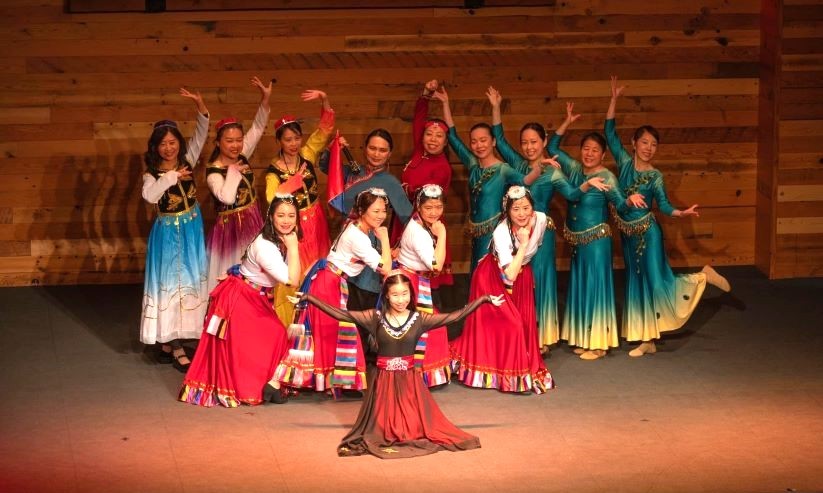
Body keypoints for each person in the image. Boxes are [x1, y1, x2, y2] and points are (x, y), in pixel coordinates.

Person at [289, 273, 505, 459]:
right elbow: (341, 314)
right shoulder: (375, 318)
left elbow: (455, 316)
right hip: (383, 383)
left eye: (405, 294)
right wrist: (309, 298)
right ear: (386, 296)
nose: (401, 299)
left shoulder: (419, 319)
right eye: (395, 294)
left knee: (413, 429)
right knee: (382, 431)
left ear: (411, 295)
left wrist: (484, 299)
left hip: (410, 383)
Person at [605, 76, 731, 357]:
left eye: (654, 145)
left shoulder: (655, 176)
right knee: (636, 280)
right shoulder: (624, 164)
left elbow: (662, 204)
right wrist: (614, 101)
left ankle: (701, 277)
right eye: (645, 142)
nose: (649, 148)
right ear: (634, 142)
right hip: (627, 232)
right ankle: (646, 337)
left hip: (648, 233)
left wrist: (681, 212)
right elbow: (609, 132)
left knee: (656, 280)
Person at [488, 86, 610, 353]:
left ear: (544, 141)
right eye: (525, 142)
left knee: (539, 280)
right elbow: (498, 137)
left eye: (534, 141)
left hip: (540, 235)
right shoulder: (519, 165)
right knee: (515, 279)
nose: (529, 146)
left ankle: (541, 335)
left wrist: (589, 184)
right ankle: (518, 331)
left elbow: (573, 195)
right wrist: (496, 106)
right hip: (513, 232)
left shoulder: (554, 172)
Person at [179, 194, 302, 407]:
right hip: (241, 299)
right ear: (270, 217)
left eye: (291, 215)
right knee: (273, 336)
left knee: (275, 335)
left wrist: (236, 271)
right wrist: (293, 248)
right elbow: (292, 279)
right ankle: (253, 387)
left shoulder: (271, 239)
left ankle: (269, 385)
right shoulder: (267, 246)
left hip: (250, 294)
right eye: (280, 215)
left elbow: (248, 263)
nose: (286, 220)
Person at [549, 102, 645, 360]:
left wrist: (630, 200)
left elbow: (619, 203)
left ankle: (600, 344)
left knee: (596, 287)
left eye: (595, 151)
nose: (589, 154)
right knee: (581, 286)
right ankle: (586, 337)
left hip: (597, 242)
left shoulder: (607, 177)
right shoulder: (574, 169)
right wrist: (566, 122)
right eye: (586, 149)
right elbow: (552, 148)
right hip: (578, 241)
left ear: (603, 155)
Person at [273, 188, 393, 393]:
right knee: (336, 332)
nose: (381, 215)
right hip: (329, 283)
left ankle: (332, 382)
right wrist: (384, 238)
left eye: (383, 211)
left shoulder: (355, 227)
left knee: (329, 332)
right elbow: (386, 268)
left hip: (329, 280)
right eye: (375, 211)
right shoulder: (359, 237)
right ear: (362, 211)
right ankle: (338, 383)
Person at [451, 186, 554, 393]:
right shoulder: (501, 232)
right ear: (507, 211)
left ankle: (513, 367)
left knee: (523, 323)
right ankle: (507, 374)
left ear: (533, 208)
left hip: (522, 274)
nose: (522, 213)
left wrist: (525, 255)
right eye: (516, 209)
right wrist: (523, 245)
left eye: (526, 208)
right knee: (511, 324)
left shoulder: (541, 219)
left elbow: (537, 245)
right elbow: (509, 275)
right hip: (492, 277)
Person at [139, 88, 210, 372]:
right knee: (172, 285)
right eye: (163, 144)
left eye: (173, 142)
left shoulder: (188, 161)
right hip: (168, 233)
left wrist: (200, 104)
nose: (169, 148)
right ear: (156, 147)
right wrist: (171, 176)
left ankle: (171, 341)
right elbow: (150, 196)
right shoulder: (152, 175)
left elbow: (203, 131)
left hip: (191, 229)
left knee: (190, 281)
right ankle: (175, 342)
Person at [434, 86, 541, 272]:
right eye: (474, 141)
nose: (478, 145)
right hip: (476, 232)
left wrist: (539, 168)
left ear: (493, 142)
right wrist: (445, 104)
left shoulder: (503, 169)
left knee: (490, 271)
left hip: (495, 233)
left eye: (483, 140)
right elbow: (453, 138)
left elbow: (526, 181)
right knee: (477, 269)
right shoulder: (474, 167)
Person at [319, 129, 413, 310]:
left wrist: (400, 247)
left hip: (370, 245)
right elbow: (325, 166)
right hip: (347, 240)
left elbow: (409, 219)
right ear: (364, 148)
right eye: (372, 148)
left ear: (389, 154)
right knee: (343, 302)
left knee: (363, 303)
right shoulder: (353, 172)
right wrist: (334, 148)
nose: (377, 154)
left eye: (382, 150)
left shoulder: (390, 182)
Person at [265, 89, 335, 324]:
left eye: (296, 138)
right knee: (299, 270)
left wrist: (324, 100)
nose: (294, 143)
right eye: (287, 139)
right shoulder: (273, 171)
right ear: (278, 141)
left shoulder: (307, 154)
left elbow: (324, 129)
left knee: (320, 266)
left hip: (316, 218)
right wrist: (292, 183)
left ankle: (321, 315)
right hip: (294, 226)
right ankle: (297, 320)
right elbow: (271, 198)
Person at [205, 76, 271, 292]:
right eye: (229, 141)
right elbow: (226, 197)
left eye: (238, 140)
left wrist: (265, 100)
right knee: (233, 272)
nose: (236, 145)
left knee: (256, 269)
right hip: (230, 229)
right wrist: (232, 172)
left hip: (252, 220)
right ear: (218, 142)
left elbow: (258, 128)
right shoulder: (214, 172)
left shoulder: (242, 155)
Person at [391, 79, 454, 289]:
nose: (433, 139)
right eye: (429, 134)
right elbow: (418, 120)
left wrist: (407, 191)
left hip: (422, 221)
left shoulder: (443, 166)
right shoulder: (420, 151)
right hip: (403, 215)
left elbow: (430, 200)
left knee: (423, 270)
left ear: (446, 142)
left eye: (439, 136)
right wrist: (426, 94)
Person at [395, 184, 451, 387]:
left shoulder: (422, 225)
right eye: (428, 208)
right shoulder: (418, 231)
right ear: (418, 207)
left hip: (415, 280)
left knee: (431, 325)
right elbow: (435, 266)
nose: (434, 212)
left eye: (438, 207)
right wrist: (443, 233)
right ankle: (420, 373)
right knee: (430, 327)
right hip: (411, 283)